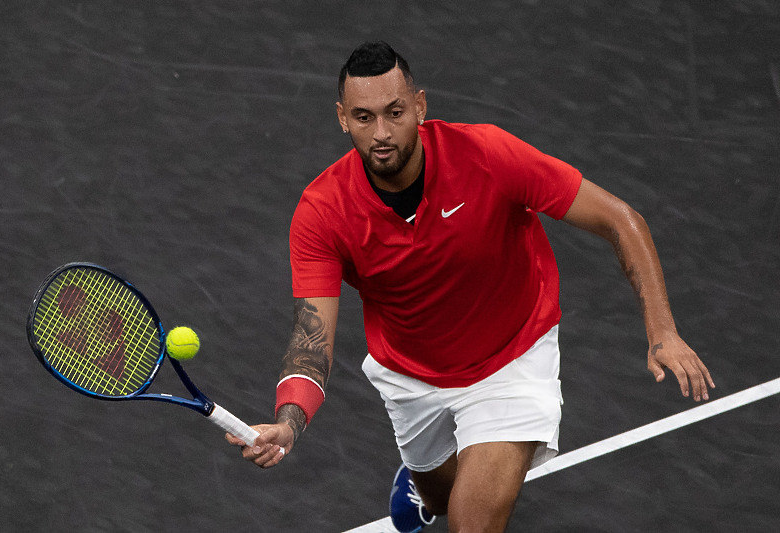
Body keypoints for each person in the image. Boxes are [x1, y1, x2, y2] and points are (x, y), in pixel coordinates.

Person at [226, 41, 714, 533]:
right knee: (439, 498)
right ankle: (423, 485)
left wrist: (663, 330)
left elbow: (619, 219)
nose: (381, 133)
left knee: (472, 522)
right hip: (410, 371)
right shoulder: (322, 211)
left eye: (395, 113)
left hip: (512, 358)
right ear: (342, 118)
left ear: (419, 105)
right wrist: (289, 422)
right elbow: (311, 341)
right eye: (363, 117)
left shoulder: (486, 155)